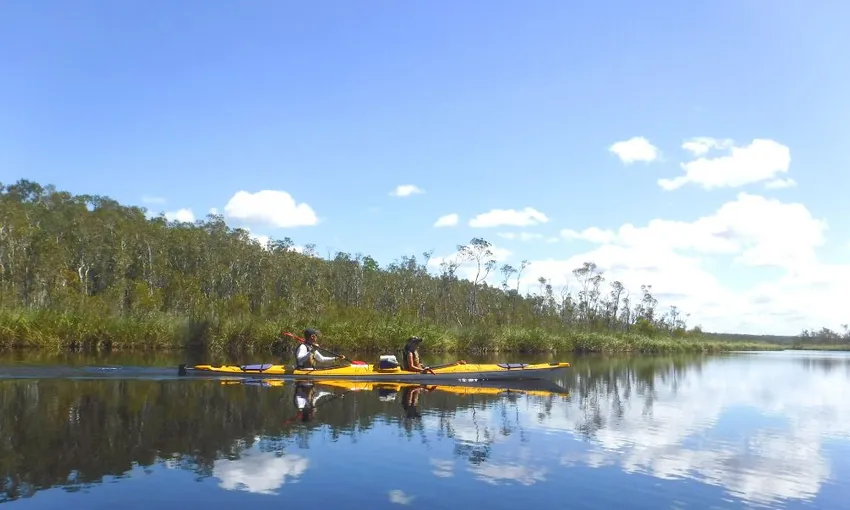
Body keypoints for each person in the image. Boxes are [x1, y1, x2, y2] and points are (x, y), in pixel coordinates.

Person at [401, 336, 466, 373]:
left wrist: (424, 368)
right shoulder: (410, 353)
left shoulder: (415, 351)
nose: (418, 345)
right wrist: (423, 370)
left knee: (447, 365)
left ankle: (454, 364)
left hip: (421, 369)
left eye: (418, 343)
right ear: (410, 344)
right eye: (416, 343)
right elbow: (411, 367)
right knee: (430, 369)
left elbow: (420, 364)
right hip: (414, 372)